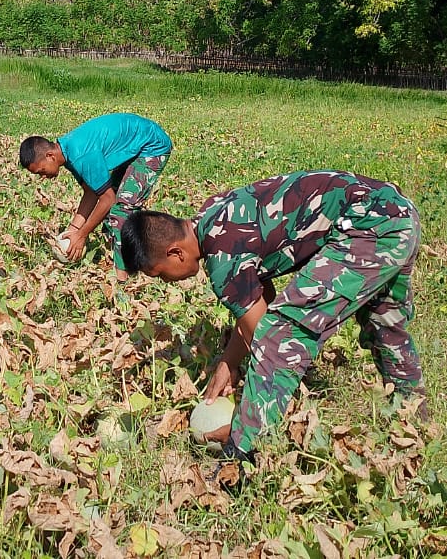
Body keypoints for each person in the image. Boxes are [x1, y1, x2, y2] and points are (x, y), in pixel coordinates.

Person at [120, 170, 425, 464]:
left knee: (281, 334)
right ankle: (414, 416)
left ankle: (242, 453)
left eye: (160, 275)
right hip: (393, 211)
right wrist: (229, 361)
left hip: (366, 228)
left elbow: (269, 342)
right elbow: (259, 301)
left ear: (176, 254)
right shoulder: (212, 213)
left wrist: (243, 421)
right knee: (383, 323)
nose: (167, 282)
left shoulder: (223, 263)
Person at [19, 113, 172, 283]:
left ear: (50, 156)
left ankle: (123, 276)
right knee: (109, 210)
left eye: (41, 171)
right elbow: (91, 192)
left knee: (122, 211)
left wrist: (82, 235)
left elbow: (108, 200)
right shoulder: (67, 152)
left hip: (151, 146)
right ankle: (115, 253)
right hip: (134, 146)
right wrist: (73, 230)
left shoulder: (81, 156)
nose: (42, 176)